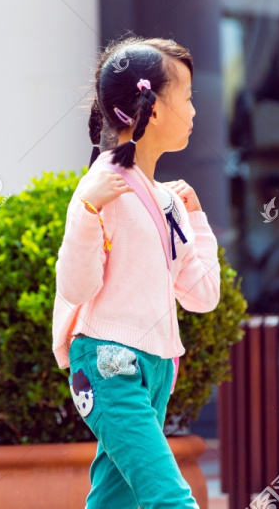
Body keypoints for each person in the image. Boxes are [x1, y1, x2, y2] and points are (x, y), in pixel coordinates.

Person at [53, 36, 221, 509]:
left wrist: (199, 219)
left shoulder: (168, 200)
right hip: (108, 366)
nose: (193, 111)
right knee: (170, 498)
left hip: (154, 369)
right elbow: (76, 287)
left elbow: (203, 295)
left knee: (115, 502)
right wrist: (86, 210)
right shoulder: (101, 186)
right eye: (186, 98)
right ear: (151, 108)